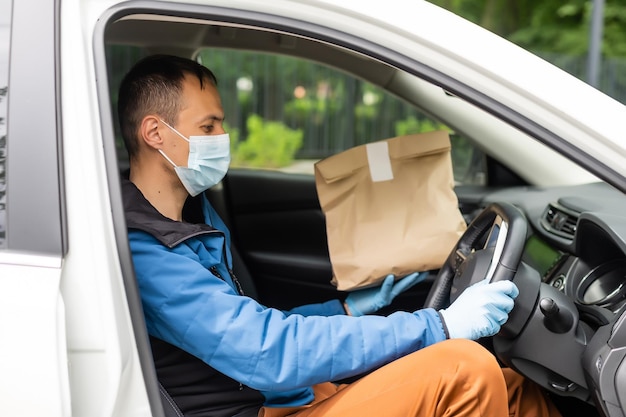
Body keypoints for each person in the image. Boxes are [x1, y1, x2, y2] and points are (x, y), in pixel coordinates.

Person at [118, 54, 562, 417]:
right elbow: (266, 349)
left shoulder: (193, 214)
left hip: (279, 396)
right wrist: (440, 325)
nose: (223, 138)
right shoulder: (145, 251)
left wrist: (346, 307)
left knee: (511, 385)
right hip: (255, 408)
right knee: (464, 369)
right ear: (156, 133)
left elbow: (246, 320)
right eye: (209, 127)